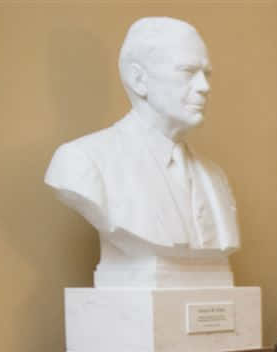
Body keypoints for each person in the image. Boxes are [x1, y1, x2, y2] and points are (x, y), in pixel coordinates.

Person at [45, 17, 239, 279]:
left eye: (207, 74)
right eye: (188, 71)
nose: (204, 87)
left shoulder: (214, 177)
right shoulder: (82, 161)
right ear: (139, 79)